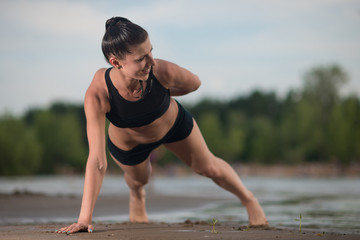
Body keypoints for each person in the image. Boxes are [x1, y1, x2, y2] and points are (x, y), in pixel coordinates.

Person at [56, 17, 268, 234]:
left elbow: (195, 83)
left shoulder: (161, 71)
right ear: (116, 63)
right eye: (141, 58)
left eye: (151, 51)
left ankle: (249, 200)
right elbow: (98, 161)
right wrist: (84, 218)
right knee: (141, 179)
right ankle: (137, 194)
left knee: (208, 167)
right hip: (130, 145)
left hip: (173, 125)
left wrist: (163, 93)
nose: (151, 61)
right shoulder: (98, 93)